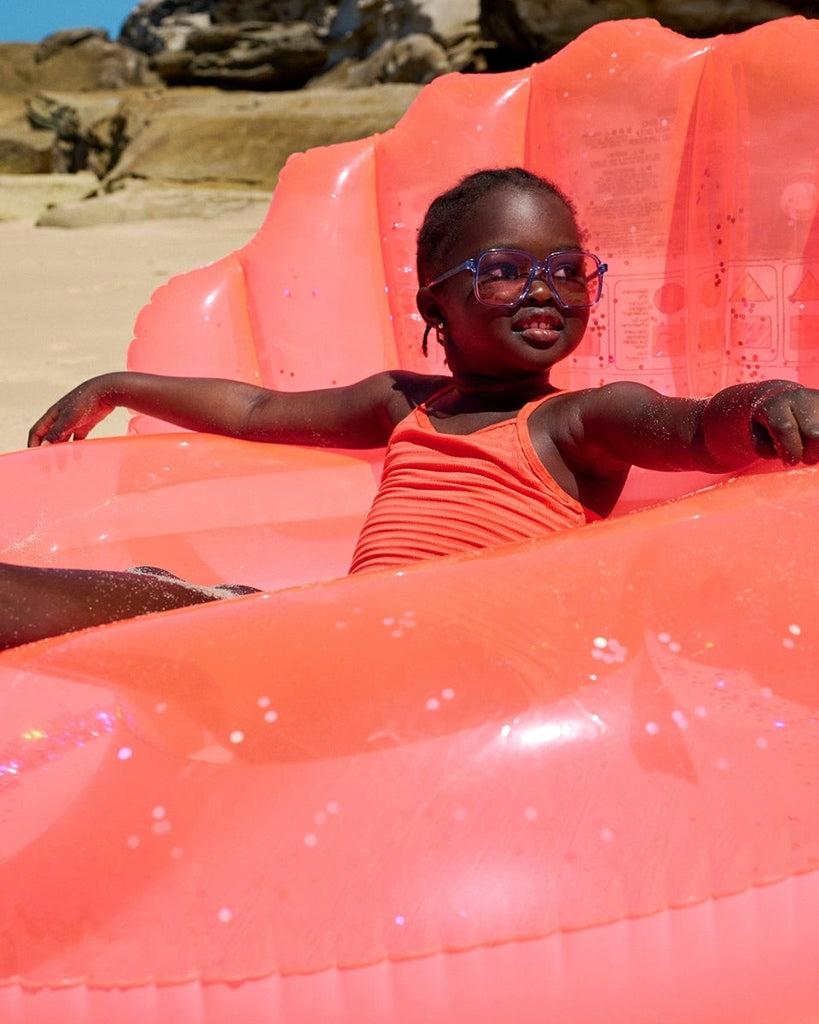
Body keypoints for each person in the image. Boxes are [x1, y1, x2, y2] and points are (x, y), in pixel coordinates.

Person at [3, 166, 818, 649]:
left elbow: (698, 428)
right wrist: (116, 385)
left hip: (440, 649)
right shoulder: (404, 403)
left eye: (569, 270)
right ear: (435, 308)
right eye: (503, 268)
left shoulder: (582, 420)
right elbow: (254, 410)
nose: (544, 289)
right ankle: (165, 595)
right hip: (345, 632)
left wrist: (770, 401)